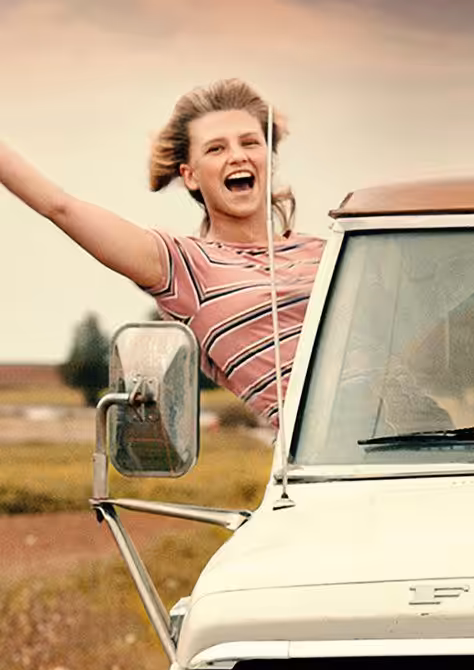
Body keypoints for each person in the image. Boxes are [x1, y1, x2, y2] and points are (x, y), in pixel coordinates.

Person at [0, 79, 324, 429]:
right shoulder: (186, 267)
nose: (237, 155)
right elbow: (60, 206)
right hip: (319, 454)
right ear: (190, 176)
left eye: (249, 142)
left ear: (267, 159)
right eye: (216, 149)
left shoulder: (330, 250)